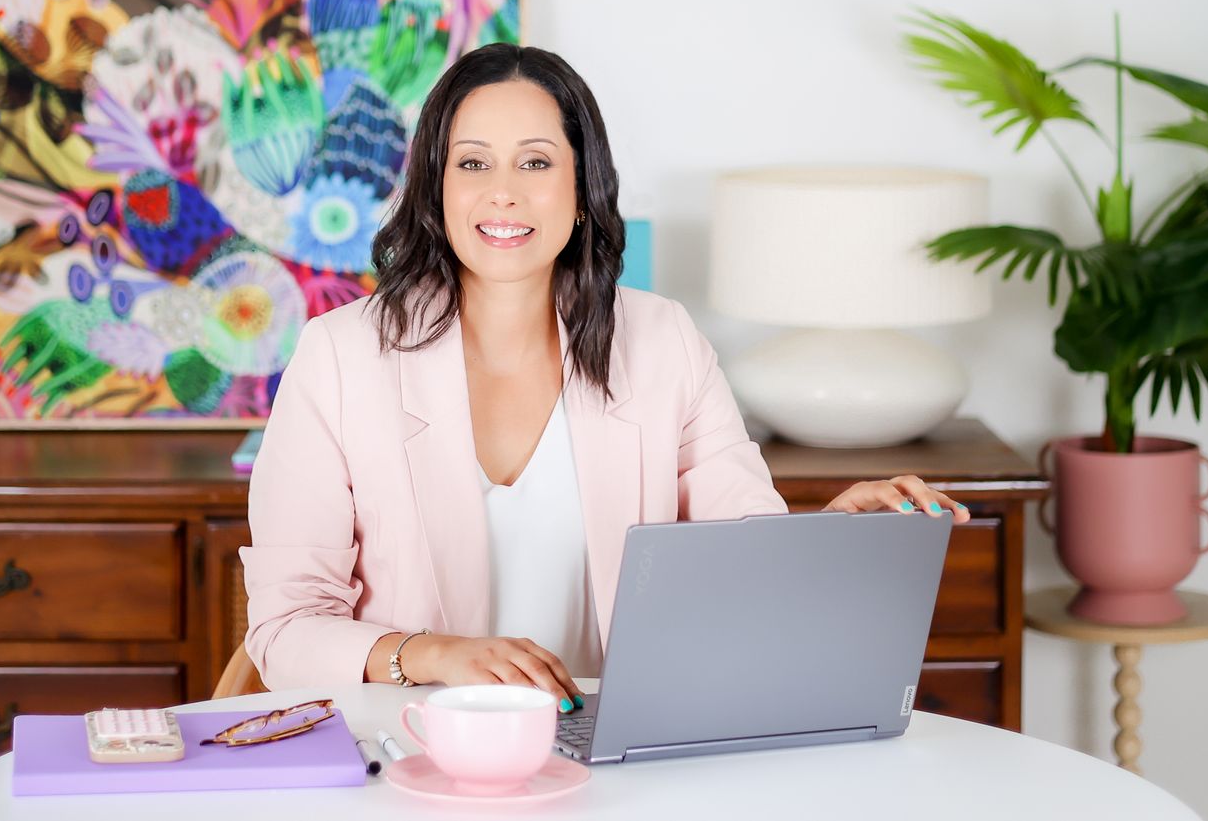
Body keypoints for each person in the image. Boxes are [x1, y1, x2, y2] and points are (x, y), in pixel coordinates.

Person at [241, 45, 970, 708]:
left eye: (534, 162)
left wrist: (839, 533)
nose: (503, 192)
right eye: (472, 163)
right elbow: (285, 628)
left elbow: (745, 559)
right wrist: (436, 655)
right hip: (405, 757)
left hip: (610, 763)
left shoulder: (664, 343)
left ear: (582, 186)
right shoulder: (338, 356)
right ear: (434, 188)